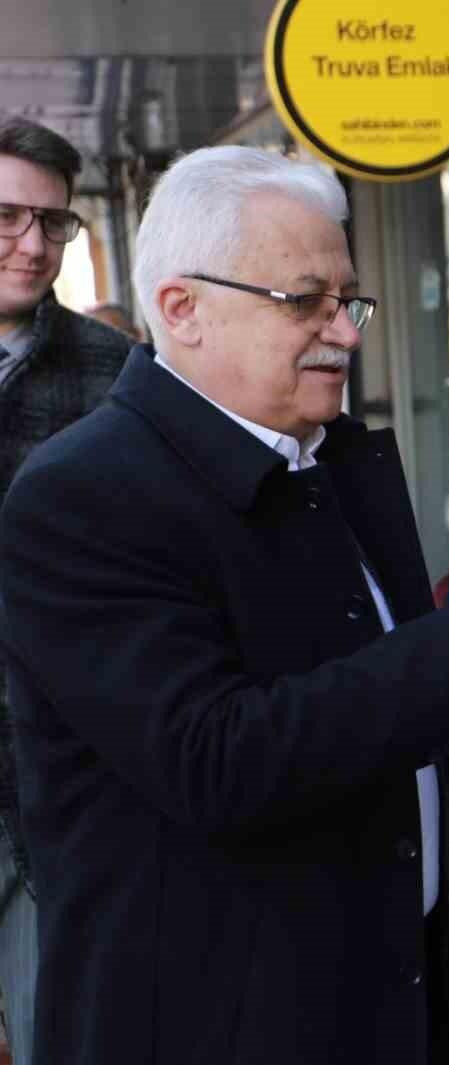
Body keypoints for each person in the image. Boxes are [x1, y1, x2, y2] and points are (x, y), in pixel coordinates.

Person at [0, 146, 449, 1065]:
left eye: (348, 299)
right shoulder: (83, 493)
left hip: (393, 1005)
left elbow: (370, 716)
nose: (345, 330)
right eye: (304, 301)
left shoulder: (333, 461)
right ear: (183, 309)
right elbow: (218, 761)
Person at [0, 114, 135, 1065]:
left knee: (61, 1027)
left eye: (54, 224)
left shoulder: (115, 373)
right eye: (6, 216)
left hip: (52, 767)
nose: (32, 244)